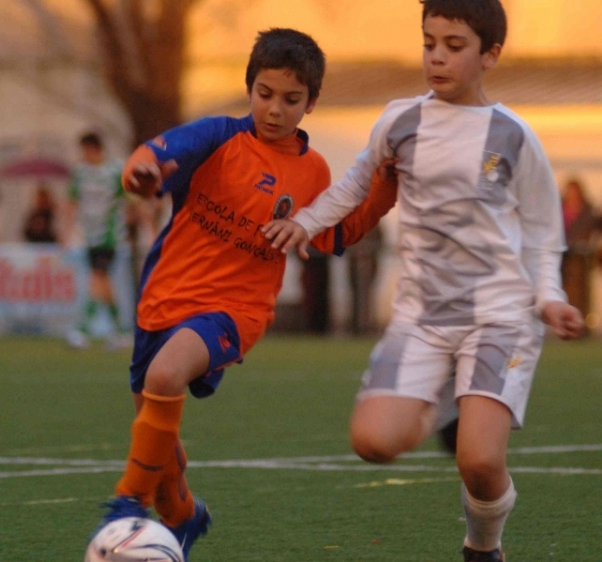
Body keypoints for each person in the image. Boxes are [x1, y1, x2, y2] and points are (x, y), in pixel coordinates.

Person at [262, 3, 585, 561]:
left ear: (490, 55)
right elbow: (355, 184)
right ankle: (451, 404)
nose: (437, 56)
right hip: (422, 317)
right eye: (429, 42)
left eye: (454, 46)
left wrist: (550, 297)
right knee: (372, 443)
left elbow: (541, 229)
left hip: (500, 317)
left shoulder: (513, 136)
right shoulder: (400, 119)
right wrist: (304, 222)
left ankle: (483, 548)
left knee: (479, 462)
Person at [92, 28, 397, 561]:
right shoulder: (219, 137)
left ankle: (127, 503)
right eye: (264, 93)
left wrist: (387, 189)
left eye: (290, 99)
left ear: (311, 103)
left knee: (166, 377)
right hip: (162, 298)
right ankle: (184, 517)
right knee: (157, 433)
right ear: (249, 86)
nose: (274, 109)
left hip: (237, 310)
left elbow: (337, 231)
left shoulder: (312, 171)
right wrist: (138, 175)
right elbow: (153, 155)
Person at [64, 131, 135, 350]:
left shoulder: (115, 170)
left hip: (109, 236)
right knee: (103, 283)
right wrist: (66, 231)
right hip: (90, 236)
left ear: (94, 149)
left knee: (97, 278)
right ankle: (122, 331)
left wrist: (141, 224)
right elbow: (73, 201)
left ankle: (83, 329)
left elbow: (131, 199)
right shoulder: (80, 173)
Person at [560, 177, 596, 320]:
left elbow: (591, 231)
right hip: (563, 256)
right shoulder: (559, 208)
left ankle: (581, 322)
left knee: (581, 292)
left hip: (581, 258)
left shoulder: (587, 211)